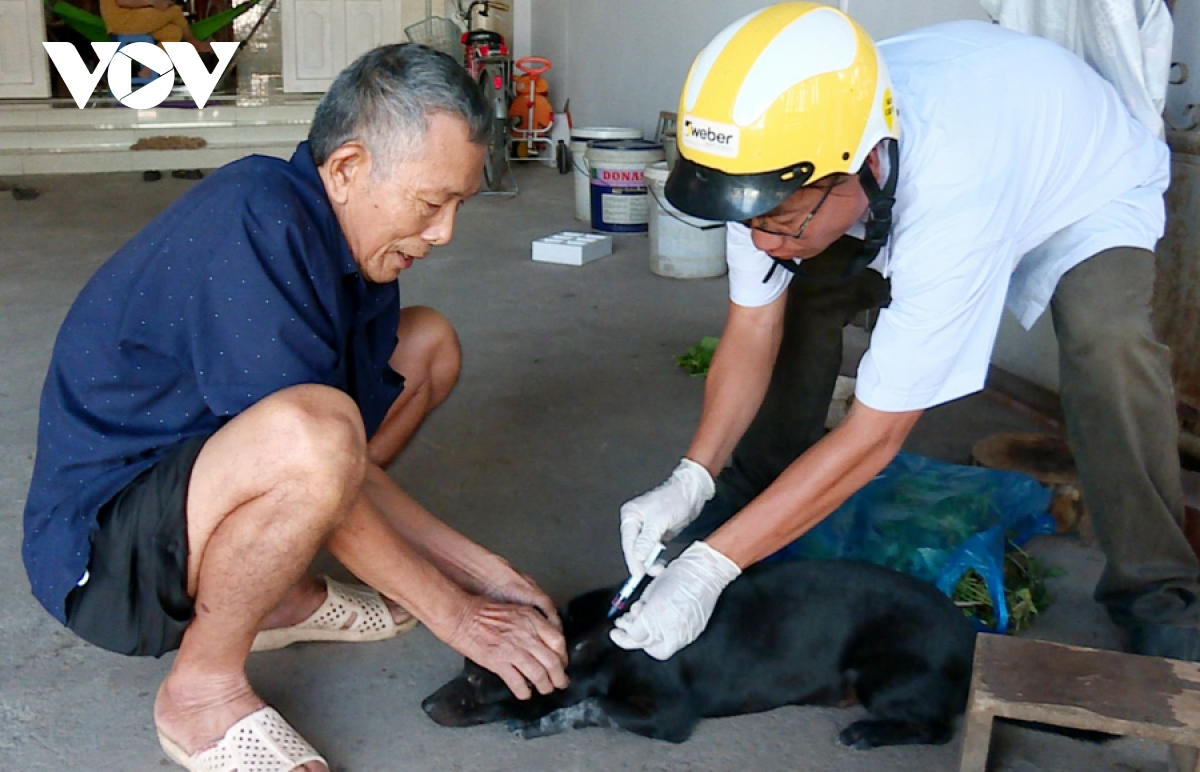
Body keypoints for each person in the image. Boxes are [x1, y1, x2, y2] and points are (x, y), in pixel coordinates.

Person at [22, 44, 567, 772]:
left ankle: (271, 595)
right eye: (431, 203)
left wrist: (484, 571)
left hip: (200, 488)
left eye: (458, 206)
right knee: (317, 430)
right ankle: (201, 696)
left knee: (426, 346)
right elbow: (321, 451)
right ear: (346, 169)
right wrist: (457, 612)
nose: (443, 234)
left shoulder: (347, 236)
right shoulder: (257, 222)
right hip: (105, 559)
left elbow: (349, 473)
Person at [611, 2, 1200, 664]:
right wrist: (694, 473)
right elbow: (752, 325)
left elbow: (877, 434)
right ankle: (748, 495)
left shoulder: (956, 196)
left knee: (1109, 347)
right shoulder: (772, 154)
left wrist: (707, 571)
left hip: (1087, 182)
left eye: (777, 217)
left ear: (860, 166)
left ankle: (1160, 592)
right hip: (959, 135)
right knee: (801, 293)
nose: (757, 235)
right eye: (749, 214)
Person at [100, 0, 214, 52]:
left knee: (174, 32)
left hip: (133, 21)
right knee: (174, 11)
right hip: (123, 21)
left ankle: (149, 67)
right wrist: (153, 2)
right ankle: (193, 42)